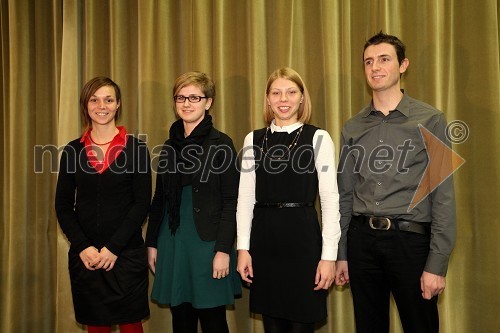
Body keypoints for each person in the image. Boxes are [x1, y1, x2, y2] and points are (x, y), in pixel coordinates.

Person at [335, 31, 456, 333]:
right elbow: (344, 194)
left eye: (384, 59)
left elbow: (443, 195)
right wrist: (341, 254)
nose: (375, 67)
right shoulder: (353, 126)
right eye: (368, 62)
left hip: (410, 243)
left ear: (403, 65)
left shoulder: (431, 120)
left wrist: (436, 265)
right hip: (362, 243)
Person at [236, 67, 341, 333]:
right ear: (268, 99)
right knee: (272, 325)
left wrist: (328, 257)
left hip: (303, 243)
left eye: (291, 92)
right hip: (264, 243)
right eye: (277, 92)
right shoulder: (253, 139)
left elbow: (330, 200)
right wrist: (243, 249)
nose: (284, 99)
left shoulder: (318, 138)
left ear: (302, 98)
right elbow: (245, 199)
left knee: (301, 324)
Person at [145, 71, 241, 333]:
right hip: (173, 241)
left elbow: (232, 202)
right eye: (181, 98)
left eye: (194, 97)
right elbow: (159, 199)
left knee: (214, 322)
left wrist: (223, 249)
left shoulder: (221, 144)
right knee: (182, 321)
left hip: (209, 244)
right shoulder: (168, 147)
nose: (186, 104)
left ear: (208, 102)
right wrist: (151, 242)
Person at [55, 77, 152, 333]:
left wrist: (113, 248)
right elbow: (63, 206)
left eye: (108, 99)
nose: (102, 105)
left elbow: (142, 204)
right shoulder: (72, 151)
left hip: (125, 255)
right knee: (97, 326)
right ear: (85, 105)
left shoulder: (137, 149)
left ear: (118, 105)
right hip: (86, 258)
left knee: (131, 324)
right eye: (94, 99)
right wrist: (83, 247)